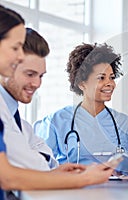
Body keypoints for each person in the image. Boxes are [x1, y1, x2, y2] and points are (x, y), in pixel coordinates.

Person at [0, 5, 117, 200]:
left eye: (41, 76)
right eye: (15, 48)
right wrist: (85, 178)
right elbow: (10, 175)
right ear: (81, 83)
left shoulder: (14, 115)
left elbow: (42, 159)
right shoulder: (54, 119)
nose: (37, 83)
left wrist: (54, 172)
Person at [36, 43, 128, 166]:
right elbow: (41, 164)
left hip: (118, 185)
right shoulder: (56, 121)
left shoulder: (124, 123)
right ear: (81, 83)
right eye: (101, 78)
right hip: (73, 184)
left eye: (112, 78)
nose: (110, 83)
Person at [1, 27, 58, 171]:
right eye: (30, 74)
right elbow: (29, 165)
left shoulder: (21, 123)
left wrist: (35, 157)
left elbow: (50, 161)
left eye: (41, 76)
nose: (37, 84)